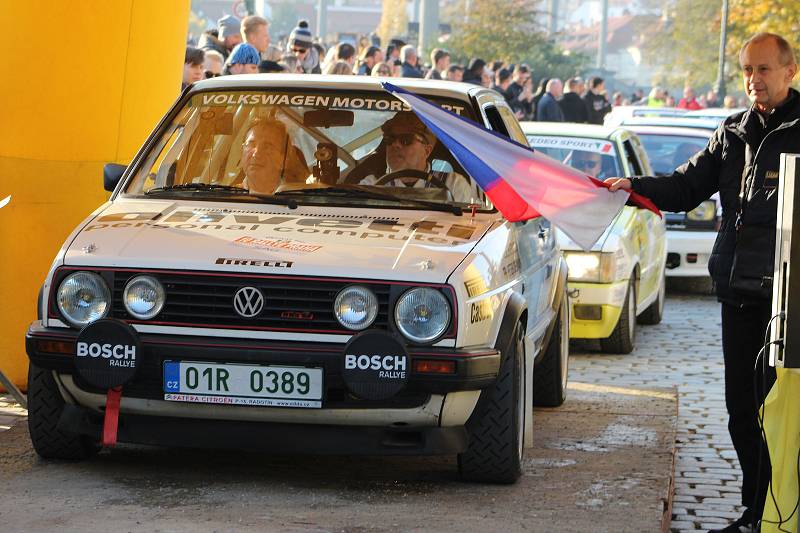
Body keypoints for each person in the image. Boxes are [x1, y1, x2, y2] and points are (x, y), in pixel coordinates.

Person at [605, 32, 799, 533]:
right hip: (740, 296)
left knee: (785, 416)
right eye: (748, 71)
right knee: (742, 412)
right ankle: (757, 513)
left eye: (764, 69)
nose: (754, 79)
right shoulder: (731, 131)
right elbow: (686, 186)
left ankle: (785, 513)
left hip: (792, 300)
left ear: (790, 71)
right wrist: (634, 189)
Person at [360, 112, 475, 202]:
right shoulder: (371, 184)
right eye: (390, 139)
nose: (395, 145)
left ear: (427, 150)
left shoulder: (453, 184)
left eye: (406, 140)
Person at [240, 119, 308, 194]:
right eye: (251, 144)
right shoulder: (229, 196)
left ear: (284, 159)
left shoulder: (300, 199)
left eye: (267, 147)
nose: (256, 154)